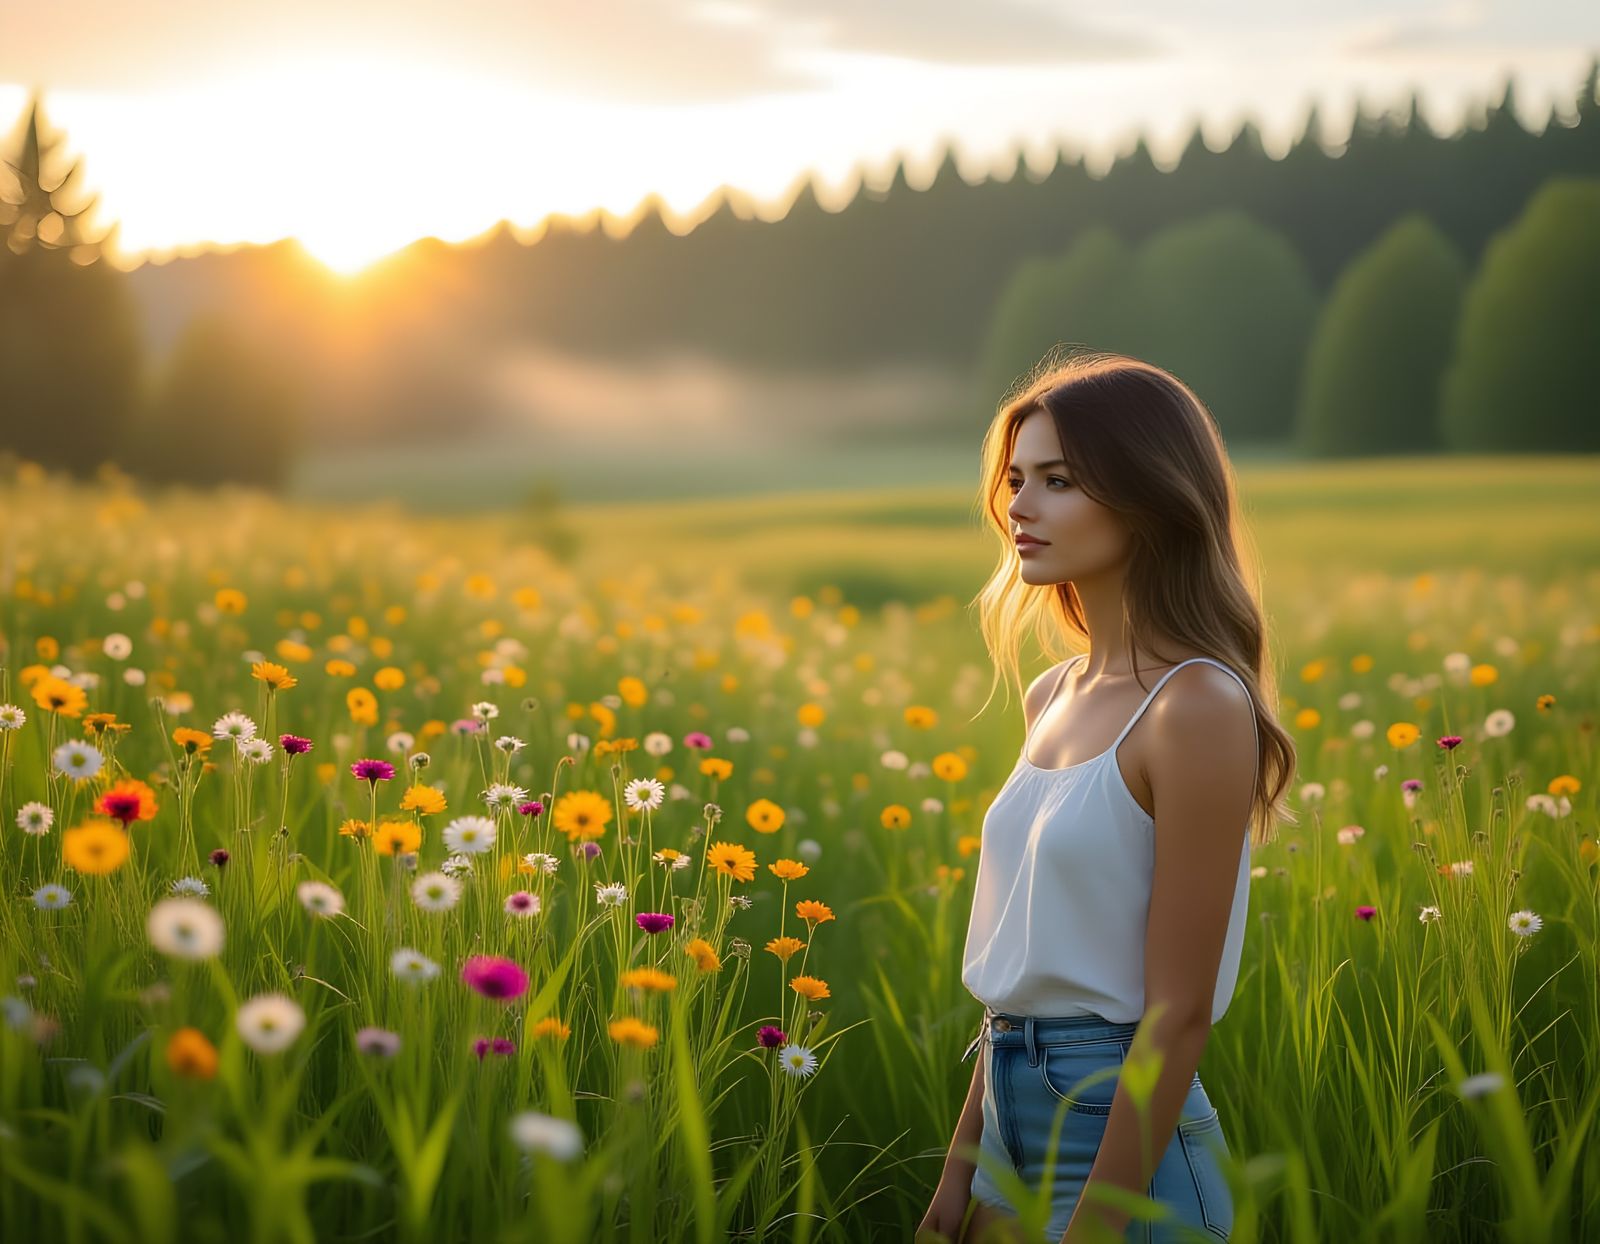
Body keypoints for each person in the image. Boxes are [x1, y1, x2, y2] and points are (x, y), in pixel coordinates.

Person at [917, 351, 1297, 1243]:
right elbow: (1021, 969)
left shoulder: (1196, 705)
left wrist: (1096, 1226)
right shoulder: (1051, 696)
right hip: (1010, 1110)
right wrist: (955, 1180)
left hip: (1125, 1148)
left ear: (1149, 497)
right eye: (1015, 479)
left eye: (1058, 480)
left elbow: (1179, 1014)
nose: (1019, 505)